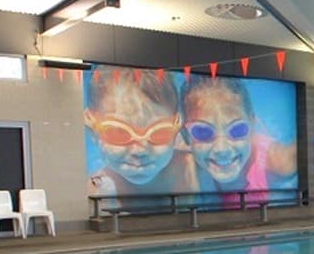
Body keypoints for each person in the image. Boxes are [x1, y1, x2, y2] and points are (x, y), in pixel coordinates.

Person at [179, 76, 295, 204]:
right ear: (185, 136)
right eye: (202, 132)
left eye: (237, 129)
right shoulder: (182, 168)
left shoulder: (277, 163)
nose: (222, 149)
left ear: (252, 126)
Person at [84, 72, 194, 202]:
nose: (139, 151)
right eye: (119, 133)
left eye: (158, 133)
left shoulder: (194, 173)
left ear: (177, 129)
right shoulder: (95, 192)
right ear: (92, 130)